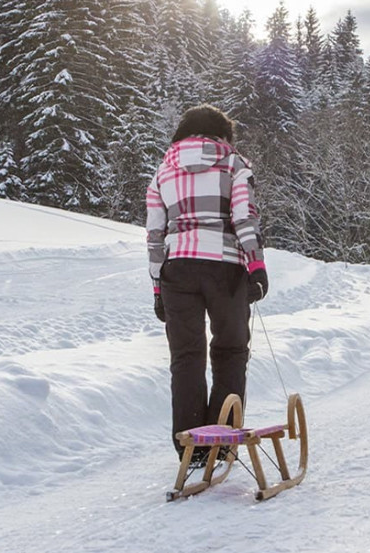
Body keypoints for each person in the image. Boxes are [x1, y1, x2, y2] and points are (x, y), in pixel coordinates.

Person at [146, 104, 268, 465]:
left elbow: (155, 235)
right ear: (221, 135)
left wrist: (157, 286)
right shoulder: (234, 165)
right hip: (225, 267)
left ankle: (190, 446)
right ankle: (221, 439)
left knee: (186, 357)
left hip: (177, 268)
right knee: (230, 351)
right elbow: (244, 217)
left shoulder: (162, 173)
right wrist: (256, 265)